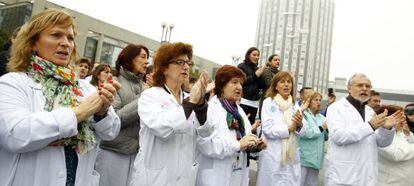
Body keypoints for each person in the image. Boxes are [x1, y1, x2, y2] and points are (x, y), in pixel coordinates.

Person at [0, 9, 121, 186]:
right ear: (33, 43)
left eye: (70, 38)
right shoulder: (13, 83)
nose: (65, 43)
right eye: (56, 35)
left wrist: (101, 112)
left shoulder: (85, 87)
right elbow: (16, 134)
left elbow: (111, 132)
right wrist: (79, 112)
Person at [129, 42, 214, 186]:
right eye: (180, 62)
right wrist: (192, 101)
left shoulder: (189, 98)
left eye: (188, 62)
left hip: (184, 177)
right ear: (164, 68)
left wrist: (200, 105)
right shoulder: (150, 96)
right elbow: (161, 127)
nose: (186, 67)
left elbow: (206, 132)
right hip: (154, 178)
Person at [324, 73, 404, 186]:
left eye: (368, 86)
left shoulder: (370, 111)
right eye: (360, 85)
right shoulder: (336, 108)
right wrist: (370, 126)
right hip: (344, 175)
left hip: (367, 175)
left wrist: (387, 129)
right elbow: (338, 136)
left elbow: (382, 143)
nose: (364, 89)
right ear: (349, 88)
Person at [195, 65, 266, 186]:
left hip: (237, 174)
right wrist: (238, 145)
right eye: (234, 82)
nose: (239, 87)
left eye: (241, 83)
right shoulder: (210, 109)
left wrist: (255, 146)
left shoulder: (239, 112)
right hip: (216, 177)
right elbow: (207, 145)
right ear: (222, 85)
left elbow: (246, 138)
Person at [95, 44, 149, 186]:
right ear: (130, 58)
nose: (147, 61)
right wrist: (143, 100)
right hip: (113, 152)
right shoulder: (115, 82)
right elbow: (115, 118)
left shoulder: (144, 87)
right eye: (143, 57)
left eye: (148, 58)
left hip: (136, 153)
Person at [256, 71, 306, 186]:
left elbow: (303, 130)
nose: (286, 84)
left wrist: (299, 125)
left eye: (289, 82)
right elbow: (268, 130)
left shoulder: (294, 104)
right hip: (274, 154)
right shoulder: (269, 102)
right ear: (276, 86)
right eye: (282, 82)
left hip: (291, 156)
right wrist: (289, 128)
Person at [377, 105, 414, 185]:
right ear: (389, 118)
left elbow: (408, 149)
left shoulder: (399, 134)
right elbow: (396, 155)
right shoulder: (381, 137)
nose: (404, 122)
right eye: (401, 118)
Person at [297, 91, 328, 186]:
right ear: (309, 102)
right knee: (299, 183)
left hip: (316, 159)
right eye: (316, 100)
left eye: (320, 100)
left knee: (312, 184)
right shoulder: (304, 115)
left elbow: (325, 137)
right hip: (304, 158)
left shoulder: (322, 118)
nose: (319, 102)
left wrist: (328, 130)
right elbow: (307, 133)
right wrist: (322, 128)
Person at [237, 47, 265, 125]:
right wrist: (255, 75)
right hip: (243, 100)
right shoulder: (241, 66)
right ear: (248, 55)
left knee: (251, 126)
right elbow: (241, 81)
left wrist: (262, 75)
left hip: (255, 102)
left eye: (258, 55)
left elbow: (261, 85)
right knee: (241, 125)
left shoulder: (257, 68)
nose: (256, 57)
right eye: (254, 55)